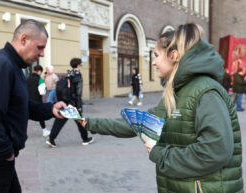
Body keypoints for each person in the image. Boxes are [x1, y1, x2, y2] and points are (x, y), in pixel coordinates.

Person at [80, 24, 243, 193]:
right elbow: (136, 123)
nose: (153, 62)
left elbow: (215, 150)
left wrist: (161, 155)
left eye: (156, 55)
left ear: (173, 55)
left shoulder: (206, 91)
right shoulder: (176, 93)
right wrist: (89, 123)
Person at [0, 19, 67, 193]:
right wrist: (6, 153)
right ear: (24, 39)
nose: (42, 54)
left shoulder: (14, 66)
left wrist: (50, 108)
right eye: (40, 47)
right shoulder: (2, 65)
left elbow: (20, 105)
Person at [45, 58, 94, 147]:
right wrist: (79, 106)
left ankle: (51, 139)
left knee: (60, 120)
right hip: (73, 103)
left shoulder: (68, 74)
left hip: (65, 101)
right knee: (80, 121)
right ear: (78, 65)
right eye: (81, 65)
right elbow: (78, 93)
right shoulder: (78, 76)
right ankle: (85, 139)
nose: (81, 66)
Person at [27, 65, 50, 137]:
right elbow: (42, 92)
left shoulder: (28, 78)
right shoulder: (40, 79)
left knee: (25, 116)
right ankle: (44, 130)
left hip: (27, 100)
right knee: (40, 116)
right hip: (37, 100)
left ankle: (22, 132)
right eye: (41, 72)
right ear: (39, 71)